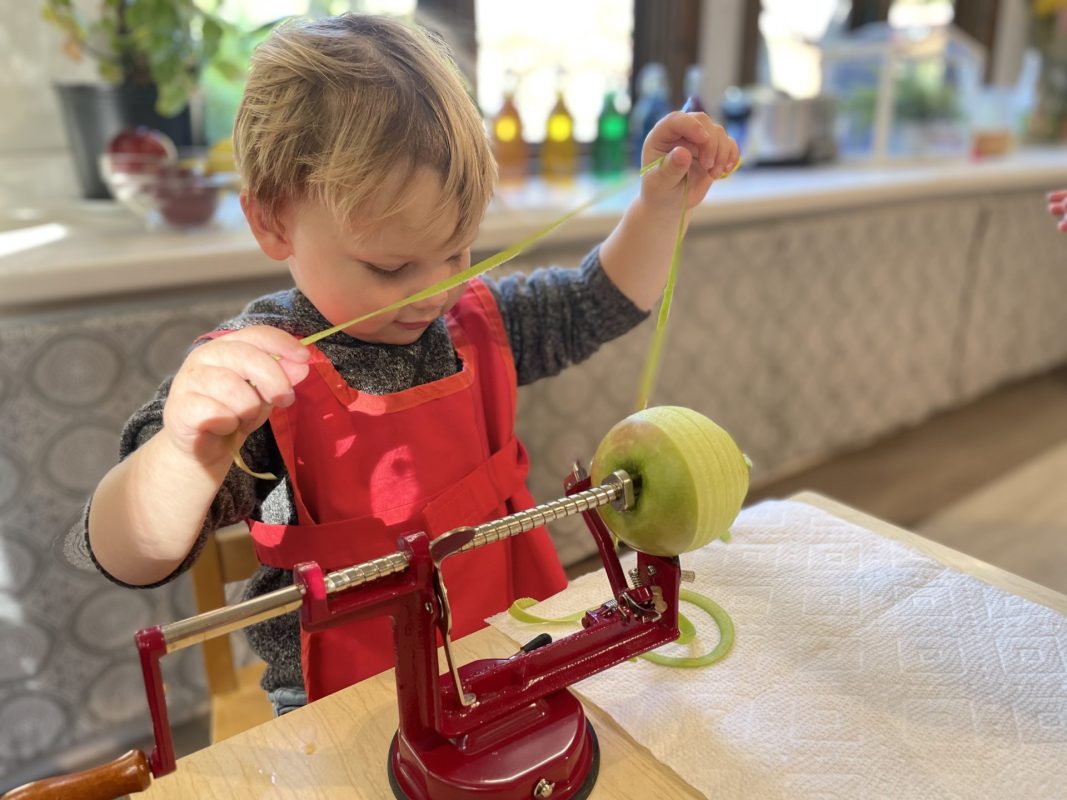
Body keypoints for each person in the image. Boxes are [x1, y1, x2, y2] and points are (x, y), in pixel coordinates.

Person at [72, 14, 738, 716]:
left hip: (504, 654)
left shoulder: (473, 322)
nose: (433, 293)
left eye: (457, 252)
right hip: (343, 708)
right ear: (272, 220)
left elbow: (596, 301)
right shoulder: (259, 376)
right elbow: (127, 553)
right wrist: (185, 453)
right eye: (390, 268)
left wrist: (659, 206)